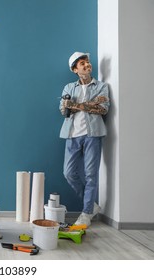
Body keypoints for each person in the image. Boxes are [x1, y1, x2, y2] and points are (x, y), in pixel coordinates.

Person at [59, 52, 110, 226]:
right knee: (69, 173)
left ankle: (86, 213)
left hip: (92, 134)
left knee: (91, 175)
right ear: (75, 69)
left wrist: (75, 105)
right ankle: (92, 205)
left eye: (87, 62)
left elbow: (103, 109)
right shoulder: (68, 88)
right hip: (72, 134)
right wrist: (90, 104)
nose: (87, 65)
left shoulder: (101, 86)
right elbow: (63, 111)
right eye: (82, 63)